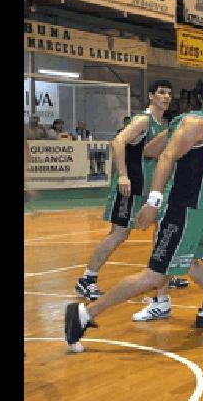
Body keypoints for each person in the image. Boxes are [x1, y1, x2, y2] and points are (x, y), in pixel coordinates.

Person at [64, 75, 203, 351]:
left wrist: (172, 135)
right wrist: (153, 201)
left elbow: (149, 149)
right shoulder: (197, 124)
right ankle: (85, 314)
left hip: (200, 211)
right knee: (156, 276)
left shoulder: (183, 121)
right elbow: (166, 156)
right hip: (182, 210)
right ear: (202, 99)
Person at [132, 81, 203, 320]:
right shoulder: (196, 124)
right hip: (192, 200)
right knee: (168, 248)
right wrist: (173, 131)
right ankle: (168, 300)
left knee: (183, 257)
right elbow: (152, 151)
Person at [74, 80, 174, 301]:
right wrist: (122, 175)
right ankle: (87, 279)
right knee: (119, 234)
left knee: (164, 225)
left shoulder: (161, 123)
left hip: (147, 189)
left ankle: (164, 273)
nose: (166, 97)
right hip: (130, 186)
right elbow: (118, 141)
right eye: (161, 93)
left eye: (169, 93)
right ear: (151, 96)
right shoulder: (144, 120)